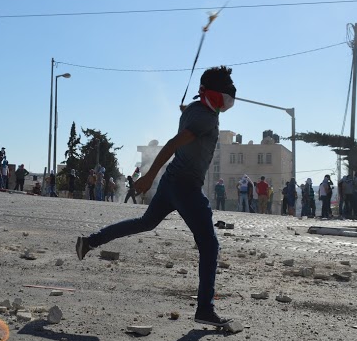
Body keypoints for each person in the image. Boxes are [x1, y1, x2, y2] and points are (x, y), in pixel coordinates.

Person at [76, 65, 237, 327]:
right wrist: (149, 176)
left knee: (146, 223)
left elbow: (188, 122)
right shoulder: (204, 117)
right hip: (185, 186)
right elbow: (173, 143)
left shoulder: (196, 110)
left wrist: (156, 176)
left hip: (171, 182)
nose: (231, 94)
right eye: (228, 88)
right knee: (209, 246)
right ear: (215, 93)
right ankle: (205, 310)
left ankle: (90, 242)